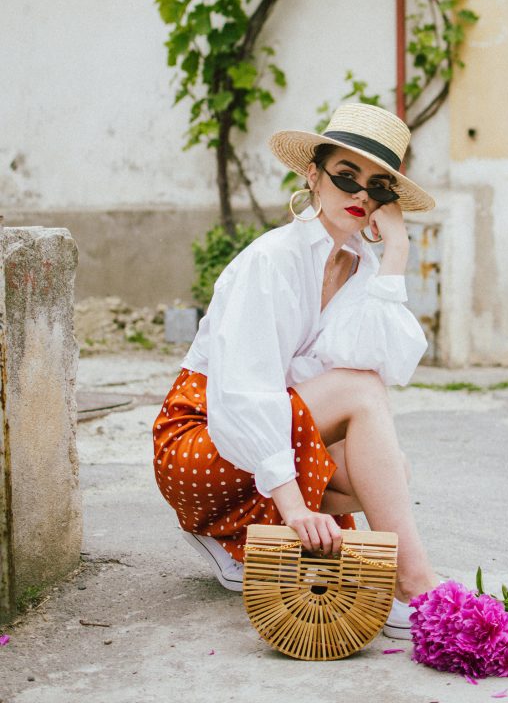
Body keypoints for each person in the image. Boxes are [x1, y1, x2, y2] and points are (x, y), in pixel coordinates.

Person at [152, 102, 441, 638]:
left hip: (270, 426)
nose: (360, 195)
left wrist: (397, 247)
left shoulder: (360, 265)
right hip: (201, 436)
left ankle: (229, 538)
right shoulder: (272, 260)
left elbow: (382, 359)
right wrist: (292, 505)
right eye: (346, 176)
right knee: (360, 392)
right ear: (312, 174)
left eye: (378, 187)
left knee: (386, 474)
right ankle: (414, 581)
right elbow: (245, 390)